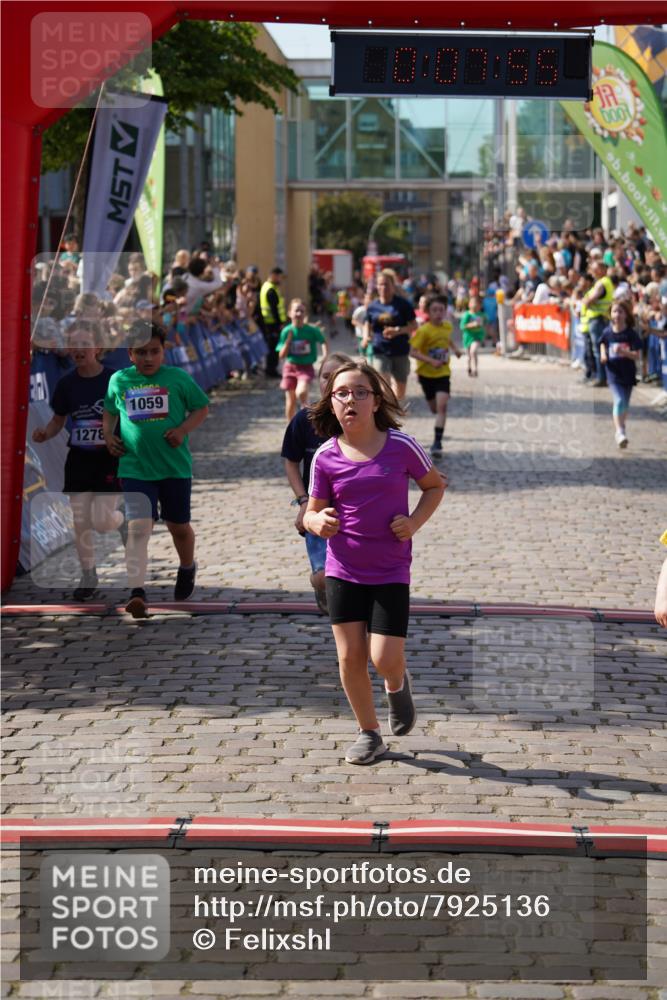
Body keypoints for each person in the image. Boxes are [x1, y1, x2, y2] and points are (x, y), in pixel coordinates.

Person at [304, 361, 446, 764]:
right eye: (341, 393)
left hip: (390, 568)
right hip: (343, 568)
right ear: (331, 403)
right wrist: (317, 521)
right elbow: (310, 513)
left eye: (360, 392)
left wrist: (413, 522)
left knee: (383, 657)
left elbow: (434, 486)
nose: (350, 400)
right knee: (350, 656)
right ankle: (369, 733)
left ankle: (396, 683)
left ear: (376, 400)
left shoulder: (401, 446)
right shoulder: (325, 457)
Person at [103, 322, 209, 618]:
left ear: (164, 351)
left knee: (179, 527)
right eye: (141, 352)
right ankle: (137, 591)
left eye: (154, 351)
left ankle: (187, 567)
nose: (148, 358)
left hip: (174, 468)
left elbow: (201, 408)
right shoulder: (119, 380)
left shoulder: (177, 378)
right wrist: (108, 435)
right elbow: (109, 411)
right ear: (130, 353)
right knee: (138, 528)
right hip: (134, 467)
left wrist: (182, 430)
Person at [32, 323, 124, 600]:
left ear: (98, 347)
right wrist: (45, 433)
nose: (78, 350)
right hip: (79, 460)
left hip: (109, 459)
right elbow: (58, 420)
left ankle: (121, 519)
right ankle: (88, 575)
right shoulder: (66, 384)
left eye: (85, 344)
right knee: (81, 520)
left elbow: (129, 416)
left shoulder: (114, 379)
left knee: (102, 521)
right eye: (73, 345)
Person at [281, 352, 351, 614]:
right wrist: (303, 502)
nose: (330, 382)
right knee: (323, 576)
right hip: (317, 508)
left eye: (338, 377)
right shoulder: (304, 419)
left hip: (353, 509)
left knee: (348, 577)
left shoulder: (360, 418)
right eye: (325, 376)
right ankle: (319, 584)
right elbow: (291, 462)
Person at [409, 295, 463, 456]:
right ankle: (436, 414)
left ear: (445, 311)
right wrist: (431, 361)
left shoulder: (447, 326)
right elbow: (413, 352)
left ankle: (437, 443)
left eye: (441, 310)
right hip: (426, 375)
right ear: (428, 312)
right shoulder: (423, 331)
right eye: (434, 310)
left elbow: (447, 340)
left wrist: (456, 350)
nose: (438, 313)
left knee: (442, 407)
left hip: (443, 373)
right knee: (434, 408)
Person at [362, 270, 417, 401]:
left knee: (400, 391)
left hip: (400, 350)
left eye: (386, 284)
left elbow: (414, 326)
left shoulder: (403, 304)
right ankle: (387, 408)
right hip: (380, 349)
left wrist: (397, 330)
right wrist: (365, 337)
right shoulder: (373, 306)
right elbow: (367, 323)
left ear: (393, 286)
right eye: (380, 284)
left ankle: (394, 407)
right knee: (383, 384)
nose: (383, 287)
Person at [599, 299, 643, 449]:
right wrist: (603, 354)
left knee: (625, 403)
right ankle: (619, 431)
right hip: (613, 373)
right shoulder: (607, 332)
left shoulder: (631, 334)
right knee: (618, 401)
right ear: (610, 314)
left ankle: (621, 428)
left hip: (628, 373)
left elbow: (637, 355)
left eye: (620, 311)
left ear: (626, 315)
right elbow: (602, 343)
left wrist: (624, 352)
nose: (617, 314)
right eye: (614, 311)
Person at [276, 299, 329, 422]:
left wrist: (325, 355)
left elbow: (323, 341)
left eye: (302, 311)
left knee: (301, 393)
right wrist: (288, 342)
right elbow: (281, 355)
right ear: (289, 313)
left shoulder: (311, 330)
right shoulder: (286, 331)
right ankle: (291, 427)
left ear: (305, 314)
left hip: (306, 367)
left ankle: (306, 421)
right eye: (296, 310)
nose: (299, 313)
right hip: (290, 367)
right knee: (291, 400)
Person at [582, 257, 614, 387]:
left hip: (598, 319)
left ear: (601, 270)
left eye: (594, 269)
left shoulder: (602, 283)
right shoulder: (605, 282)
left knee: (598, 350)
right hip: (600, 318)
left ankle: (601, 378)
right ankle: (601, 377)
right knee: (600, 349)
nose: (592, 271)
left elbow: (590, 300)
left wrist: (586, 301)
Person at [260, 266, 287, 378]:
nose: (280, 279)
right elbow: (274, 309)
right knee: (274, 348)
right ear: (273, 276)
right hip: (272, 324)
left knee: (272, 347)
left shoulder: (267, 287)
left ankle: (270, 369)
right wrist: (280, 324)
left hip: (269, 323)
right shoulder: (270, 290)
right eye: (279, 277)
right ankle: (271, 370)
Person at [459, 294, 486, 377]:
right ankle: (469, 367)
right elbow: (462, 326)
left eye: (477, 303)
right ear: (469, 304)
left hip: (477, 337)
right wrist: (472, 325)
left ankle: (475, 369)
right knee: (468, 356)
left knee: (473, 352)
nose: (474, 305)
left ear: (480, 305)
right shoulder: (467, 315)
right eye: (473, 303)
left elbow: (485, 324)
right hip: (467, 337)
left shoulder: (481, 315)